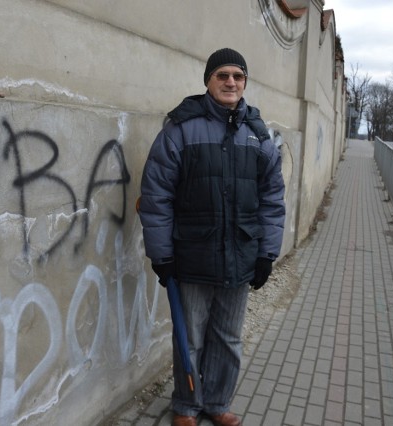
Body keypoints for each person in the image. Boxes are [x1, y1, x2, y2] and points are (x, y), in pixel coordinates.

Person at [137, 48, 286, 426]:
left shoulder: (257, 133)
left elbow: (272, 197)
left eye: (238, 75)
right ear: (208, 80)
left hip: (240, 256)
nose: (230, 82)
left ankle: (217, 402)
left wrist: (267, 252)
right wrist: (162, 254)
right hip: (192, 255)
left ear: (245, 82)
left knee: (228, 339)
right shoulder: (181, 128)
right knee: (190, 338)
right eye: (222, 75)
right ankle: (187, 406)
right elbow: (157, 195)